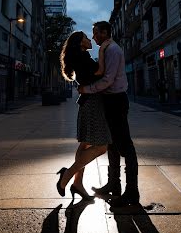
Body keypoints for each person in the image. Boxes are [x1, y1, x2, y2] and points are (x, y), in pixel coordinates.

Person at [78, 21, 140, 207]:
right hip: (110, 100)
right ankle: (114, 184)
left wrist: (87, 89)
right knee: (111, 144)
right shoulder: (106, 49)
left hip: (116, 101)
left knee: (126, 146)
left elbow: (108, 80)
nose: (94, 37)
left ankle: (132, 191)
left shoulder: (112, 50)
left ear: (105, 32)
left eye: (96, 33)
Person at [57, 31, 111, 201]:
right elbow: (101, 72)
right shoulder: (82, 57)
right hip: (93, 103)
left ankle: (78, 184)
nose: (89, 40)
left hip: (89, 101)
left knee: (85, 145)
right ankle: (67, 175)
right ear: (81, 43)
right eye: (87, 38)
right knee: (102, 146)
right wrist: (102, 51)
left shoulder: (81, 56)